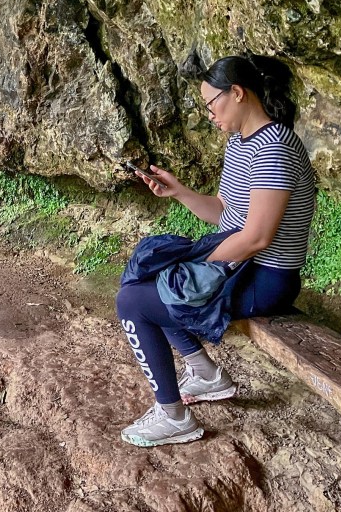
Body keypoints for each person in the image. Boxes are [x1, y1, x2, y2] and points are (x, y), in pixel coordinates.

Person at [116, 53, 316, 447]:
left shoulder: (276, 149)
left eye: (211, 103)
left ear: (237, 93)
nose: (209, 113)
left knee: (134, 302)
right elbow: (224, 212)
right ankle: (204, 373)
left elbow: (258, 237)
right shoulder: (242, 144)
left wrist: (197, 268)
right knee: (150, 273)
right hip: (238, 263)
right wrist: (180, 192)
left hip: (265, 277)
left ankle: (174, 417)